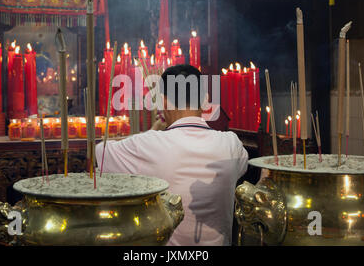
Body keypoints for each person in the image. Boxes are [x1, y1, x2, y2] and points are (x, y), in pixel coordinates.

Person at [95, 64, 249, 245]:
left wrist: (154, 129)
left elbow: (101, 153)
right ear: (206, 101)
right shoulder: (232, 144)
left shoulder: (149, 144)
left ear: (163, 102)